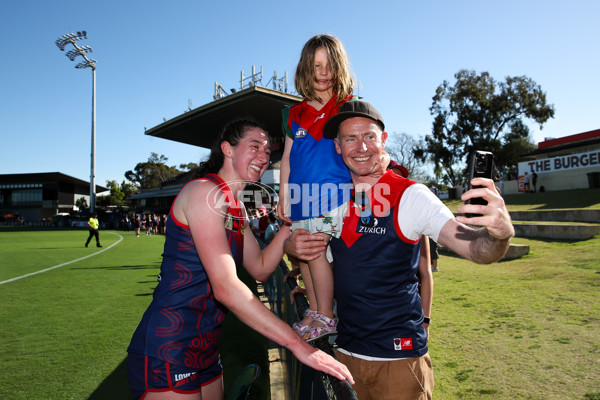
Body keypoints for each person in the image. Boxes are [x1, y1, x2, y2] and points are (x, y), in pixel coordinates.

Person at [286, 100, 514, 400]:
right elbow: (307, 246)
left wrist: (499, 234)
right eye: (350, 139)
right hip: (345, 357)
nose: (361, 147)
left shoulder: (412, 196)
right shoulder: (334, 201)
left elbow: (476, 249)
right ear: (338, 147)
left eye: (369, 136)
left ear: (384, 140)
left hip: (400, 360)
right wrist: (292, 244)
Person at [127, 118, 353, 400]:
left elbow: (259, 268)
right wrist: (299, 345)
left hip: (206, 345)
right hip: (168, 345)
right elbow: (226, 287)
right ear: (228, 149)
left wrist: (289, 223)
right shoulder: (204, 193)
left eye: (268, 151)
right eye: (255, 146)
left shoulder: (236, 209)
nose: (263, 156)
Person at [278, 34, 356, 341]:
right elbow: (286, 158)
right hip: (300, 200)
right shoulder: (292, 114)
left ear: (339, 68)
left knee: (314, 254)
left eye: (328, 65)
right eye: (316, 65)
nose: (322, 73)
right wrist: (284, 196)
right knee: (304, 257)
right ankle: (314, 309)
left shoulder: (347, 107)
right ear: (304, 69)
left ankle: (326, 314)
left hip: (332, 197)